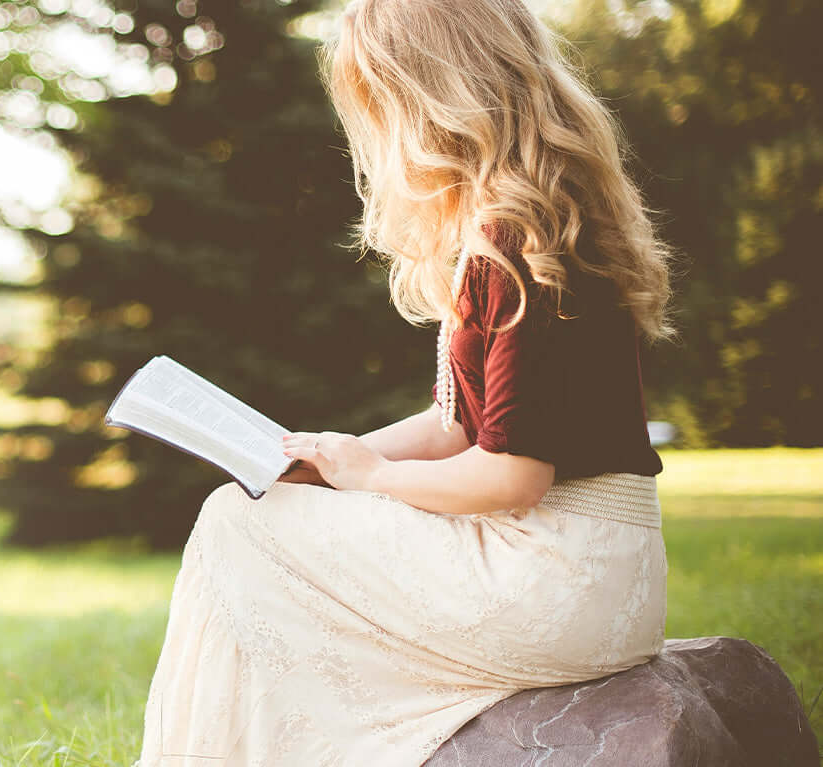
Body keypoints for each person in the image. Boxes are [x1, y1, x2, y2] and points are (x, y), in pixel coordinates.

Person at [136, 0, 677, 762]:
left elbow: (514, 472)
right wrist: (332, 459)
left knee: (235, 522)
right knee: (262, 506)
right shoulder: (536, 219)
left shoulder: (512, 241)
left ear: (432, 100)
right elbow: (458, 423)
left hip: (557, 574)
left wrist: (374, 477)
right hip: (592, 567)